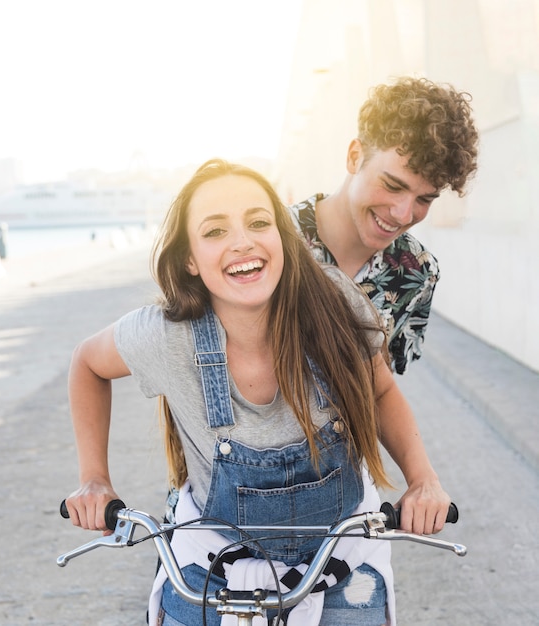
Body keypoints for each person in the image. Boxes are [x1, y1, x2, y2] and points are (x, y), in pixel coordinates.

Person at [64, 159, 451, 626]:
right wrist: (95, 479)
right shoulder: (167, 335)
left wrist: (422, 480)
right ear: (189, 258)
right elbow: (88, 363)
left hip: (339, 560)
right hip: (209, 566)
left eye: (258, 222)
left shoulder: (332, 302)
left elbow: (381, 391)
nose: (242, 241)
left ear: (281, 237)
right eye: (214, 231)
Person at [291, 76, 479, 374]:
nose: (404, 215)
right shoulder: (270, 239)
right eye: (392, 185)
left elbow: (381, 390)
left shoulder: (419, 272)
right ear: (355, 157)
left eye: (425, 199)